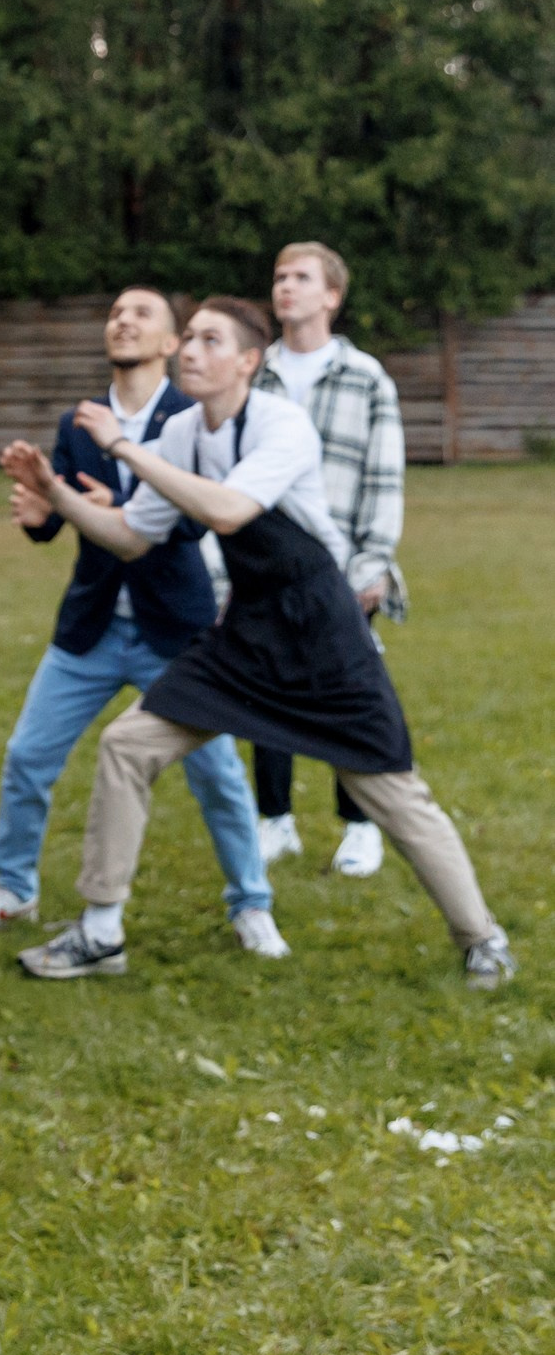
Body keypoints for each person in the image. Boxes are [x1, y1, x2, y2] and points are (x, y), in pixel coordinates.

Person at [2, 298, 514, 987]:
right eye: (187, 338)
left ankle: (481, 937)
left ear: (248, 361)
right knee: (127, 744)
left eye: (210, 340)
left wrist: (122, 447)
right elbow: (129, 535)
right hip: (247, 631)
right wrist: (57, 495)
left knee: (393, 792)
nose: (189, 350)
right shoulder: (184, 430)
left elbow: (226, 508)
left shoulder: (281, 424)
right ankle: (99, 930)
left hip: (323, 630)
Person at [0, 287, 283, 958]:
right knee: (28, 756)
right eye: (116, 313)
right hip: (90, 627)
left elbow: (203, 516)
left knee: (219, 776)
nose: (123, 320)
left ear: (171, 344)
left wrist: (118, 504)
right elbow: (64, 513)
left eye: (141, 314)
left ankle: (251, 903)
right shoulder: (78, 421)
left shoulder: (192, 418)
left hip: (173, 629)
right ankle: (13, 886)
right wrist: (42, 517)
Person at [250, 242, 406, 878]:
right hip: (260, 560)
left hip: (339, 566)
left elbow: (384, 476)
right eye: (281, 276)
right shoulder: (253, 372)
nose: (286, 287)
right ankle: (274, 821)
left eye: (302, 278)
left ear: (331, 296)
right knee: (265, 689)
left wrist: (372, 564)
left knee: (348, 695)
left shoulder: (366, 377)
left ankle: (360, 825)